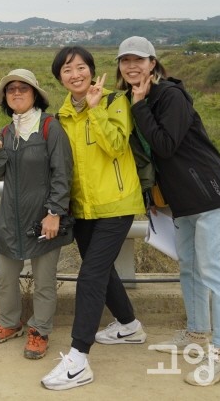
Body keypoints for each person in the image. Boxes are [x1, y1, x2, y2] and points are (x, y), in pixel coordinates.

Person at [116, 36, 220, 387]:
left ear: (152, 63)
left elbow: (166, 145)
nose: (132, 66)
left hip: (207, 193)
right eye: (125, 60)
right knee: (190, 268)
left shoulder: (170, 95)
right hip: (180, 199)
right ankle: (197, 333)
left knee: (216, 274)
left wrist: (140, 106)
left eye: (139, 60)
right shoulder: (135, 98)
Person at [40, 46, 148, 391]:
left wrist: (95, 107)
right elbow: (60, 167)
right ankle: (129, 326)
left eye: (81, 67)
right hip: (82, 208)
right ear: (60, 78)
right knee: (101, 270)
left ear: (92, 70)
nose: (76, 75)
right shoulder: (60, 117)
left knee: (90, 275)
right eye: (67, 70)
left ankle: (78, 359)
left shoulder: (115, 101)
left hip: (116, 203)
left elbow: (116, 145)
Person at [0, 69, 73, 360]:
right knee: (5, 278)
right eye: (11, 90)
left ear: (35, 94)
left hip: (43, 219)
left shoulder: (50, 127)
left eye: (23, 88)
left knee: (44, 281)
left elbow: (62, 172)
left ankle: (40, 330)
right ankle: (10, 323)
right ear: (5, 98)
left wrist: (55, 212)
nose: (17, 93)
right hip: (10, 221)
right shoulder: (6, 132)